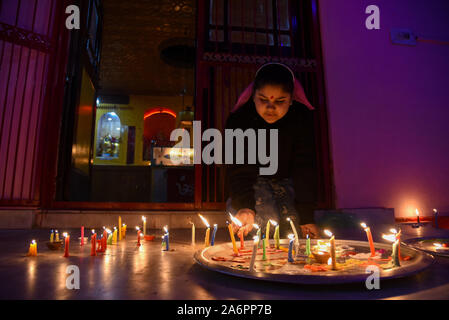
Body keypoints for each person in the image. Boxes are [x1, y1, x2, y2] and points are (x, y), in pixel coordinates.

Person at [226, 63, 320, 239]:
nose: (270, 109)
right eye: (263, 99)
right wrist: (245, 206)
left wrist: (306, 216)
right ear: (253, 96)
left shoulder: (300, 119)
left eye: (279, 101)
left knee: (292, 233)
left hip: (286, 183)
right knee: (260, 229)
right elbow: (239, 167)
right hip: (252, 184)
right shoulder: (240, 120)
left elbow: (304, 167)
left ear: (291, 99)